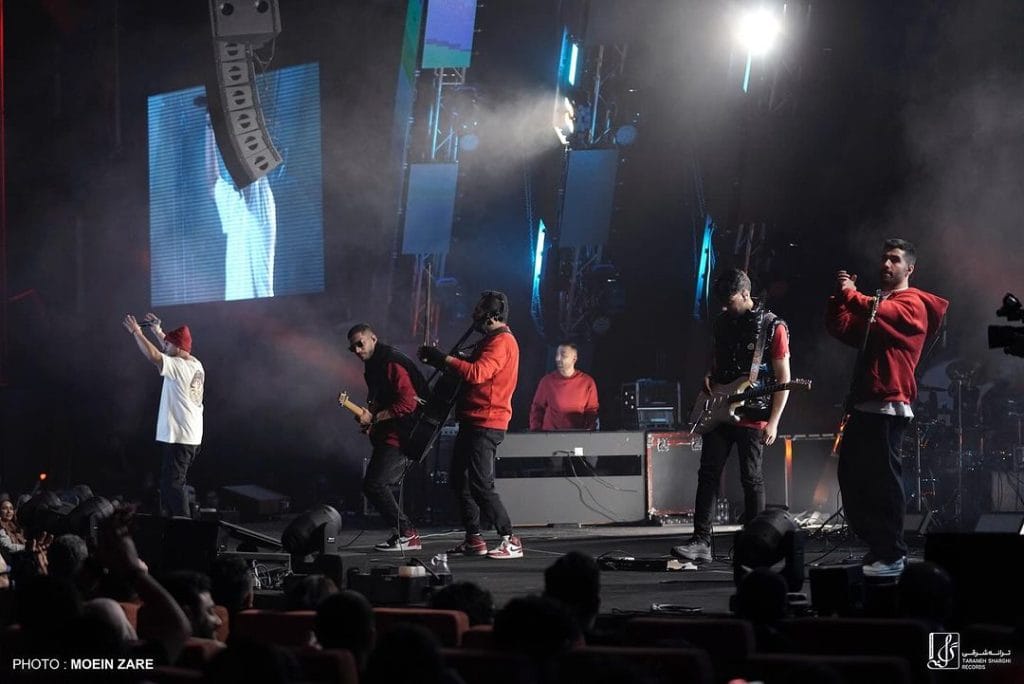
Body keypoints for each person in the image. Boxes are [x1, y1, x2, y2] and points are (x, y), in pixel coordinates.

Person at [825, 238, 948, 577]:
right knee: (852, 479)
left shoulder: (913, 304)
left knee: (882, 483)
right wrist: (839, 297)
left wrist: (851, 293)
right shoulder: (881, 306)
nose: (886, 264)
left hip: (889, 406)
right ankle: (880, 547)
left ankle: (892, 553)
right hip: (865, 405)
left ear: (910, 268)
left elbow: (873, 309)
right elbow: (843, 327)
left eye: (894, 259)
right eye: (883, 258)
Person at [672, 269, 792, 563]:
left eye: (730, 302)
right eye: (723, 303)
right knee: (708, 474)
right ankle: (701, 541)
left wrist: (774, 421)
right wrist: (709, 375)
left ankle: (756, 544)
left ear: (745, 294)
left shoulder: (772, 326)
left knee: (751, 478)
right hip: (719, 409)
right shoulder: (722, 322)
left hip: (753, 412)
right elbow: (718, 359)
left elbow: (784, 378)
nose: (726, 308)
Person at [418, 291, 523, 559]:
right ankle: (474, 538)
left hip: (487, 421)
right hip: (473, 420)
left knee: (480, 484)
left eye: (478, 310)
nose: (473, 314)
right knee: (459, 480)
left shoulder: (501, 342)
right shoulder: (491, 340)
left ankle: (510, 539)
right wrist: (446, 362)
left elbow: (477, 373)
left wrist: (444, 359)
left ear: (491, 315)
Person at [348, 323, 431, 552]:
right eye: (353, 348)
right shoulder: (373, 365)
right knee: (373, 485)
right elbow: (380, 398)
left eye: (360, 344)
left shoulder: (391, 362)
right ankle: (404, 533)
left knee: (374, 484)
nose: (357, 350)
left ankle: (408, 534)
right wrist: (369, 417)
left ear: (373, 338)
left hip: (406, 432)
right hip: (393, 431)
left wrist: (375, 418)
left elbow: (408, 403)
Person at [123, 313, 204, 518]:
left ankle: (184, 525)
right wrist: (158, 331)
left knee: (173, 485)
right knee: (170, 484)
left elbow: (155, 356)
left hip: (181, 438)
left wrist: (137, 332)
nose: (164, 346)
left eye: (168, 343)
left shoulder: (178, 366)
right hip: (189, 436)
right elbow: (172, 348)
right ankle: (175, 521)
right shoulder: (195, 363)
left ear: (178, 348)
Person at [204, 108, 277, 301]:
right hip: (235, 307)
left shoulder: (262, 202)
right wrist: (210, 127)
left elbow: (246, 169)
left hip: (261, 307)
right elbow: (213, 182)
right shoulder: (235, 204)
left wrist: (233, 118)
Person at [529, 343, 600, 431]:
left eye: (563, 355)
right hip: (550, 435)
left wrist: (589, 433)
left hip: (577, 435)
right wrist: (536, 431)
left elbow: (591, 411)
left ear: (574, 358)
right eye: (557, 354)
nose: (558, 358)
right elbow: (537, 408)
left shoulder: (587, 382)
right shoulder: (547, 381)